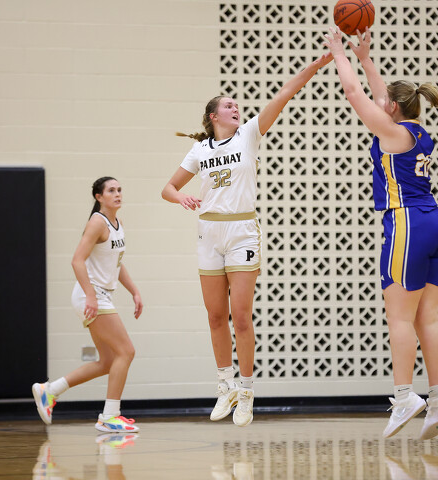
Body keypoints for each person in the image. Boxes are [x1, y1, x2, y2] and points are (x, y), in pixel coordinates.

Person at [161, 53, 332, 427]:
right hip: (209, 233)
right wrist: (181, 197)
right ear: (213, 117)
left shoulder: (249, 134)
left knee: (240, 315)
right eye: (228, 105)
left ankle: (247, 391)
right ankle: (225, 386)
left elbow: (284, 94)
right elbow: (167, 188)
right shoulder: (200, 150)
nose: (235, 108)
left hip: (242, 232)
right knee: (215, 316)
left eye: (236, 104)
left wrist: (315, 66)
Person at [324, 27, 438, 439]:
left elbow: (354, 94)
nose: (379, 101)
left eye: (385, 102)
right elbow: (381, 95)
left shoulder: (393, 134)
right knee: (426, 318)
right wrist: (366, 58)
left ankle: (404, 396)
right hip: (435, 223)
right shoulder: (417, 132)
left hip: (407, 223)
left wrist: (339, 52)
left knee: (398, 316)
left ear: (394, 108)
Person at [32, 176, 143, 433]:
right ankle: (110, 416)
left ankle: (50, 390)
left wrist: (135, 291)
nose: (117, 194)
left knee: (108, 361)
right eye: (111, 190)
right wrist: (91, 295)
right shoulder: (97, 222)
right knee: (126, 352)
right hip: (91, 296)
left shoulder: (118, 224)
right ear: (98, 197)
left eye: (119, 189)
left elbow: (116, 264)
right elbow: (77, 261)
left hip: (100, 295)